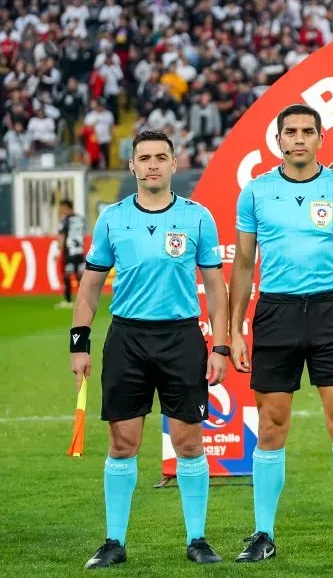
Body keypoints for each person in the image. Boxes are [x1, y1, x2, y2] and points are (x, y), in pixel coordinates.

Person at [229, 103, 333, 562]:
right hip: (275, 314)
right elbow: (241, 264)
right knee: (272, 426)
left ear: (321, 138)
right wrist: (235, 331)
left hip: (330, 313)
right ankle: (262, 534)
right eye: (290, 132)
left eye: (307, 131)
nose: (298, 138)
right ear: (278, 140)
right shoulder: (255, 192)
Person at [71, 129, 229, 568]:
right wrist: (79, 343)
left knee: (189, 442)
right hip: (127, 339)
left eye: (162, 156)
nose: (153, 164)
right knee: (123, 442)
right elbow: (89, 288)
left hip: (182, 338)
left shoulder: (198, 217)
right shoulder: (112, 218)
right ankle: (113, 542)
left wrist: (221, 345)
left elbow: (216, 287)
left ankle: (197, 539)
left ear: (175, 164)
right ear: (133, 166)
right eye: (145, 157)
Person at [56, 199, 87, 309]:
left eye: (61, 207)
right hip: (79, 251)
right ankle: (84, 300)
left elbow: (62, 236)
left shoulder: (65, 220)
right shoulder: (80, 218)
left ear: (65, 207)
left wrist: (58, 251)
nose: (60, 210)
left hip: (69, 251)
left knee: (66, 275)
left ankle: (68, 300)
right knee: (80, 276)